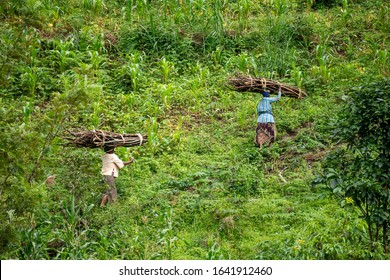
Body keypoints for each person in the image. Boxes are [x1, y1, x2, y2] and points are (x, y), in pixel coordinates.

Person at [255, 84, 282, 148]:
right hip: (268, 118)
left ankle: (260, 144)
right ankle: (269, 144)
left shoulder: (260, 102)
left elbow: (258, 111)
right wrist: (279, 91)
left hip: (260, 119)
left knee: (261, 131)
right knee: (270, 130)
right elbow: (278, 98)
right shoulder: (268, 99)